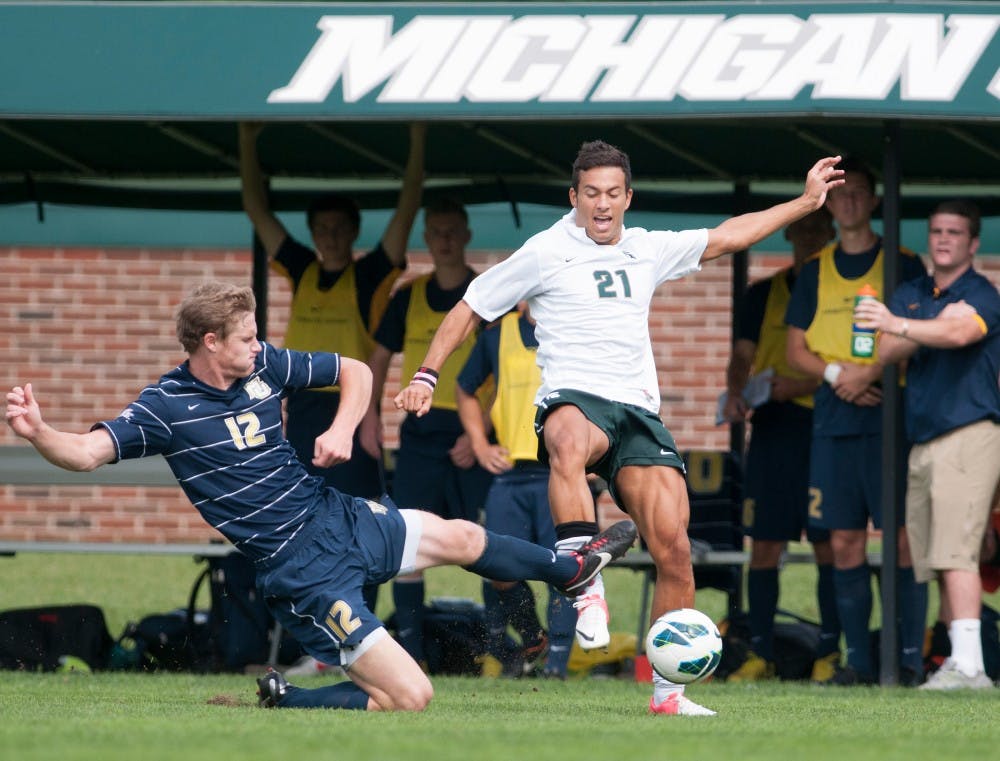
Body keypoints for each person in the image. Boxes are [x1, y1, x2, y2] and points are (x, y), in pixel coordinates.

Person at [4, 281, 637, 711]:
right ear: (209, 344)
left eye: (258, 336)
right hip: (301, 571)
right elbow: (85, 454)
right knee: (412, 697)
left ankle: (571, 568)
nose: (258, 347)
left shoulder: (262, 366)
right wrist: (39, 432)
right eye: (246, 338)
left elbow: (355, 371)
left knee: (463, 537)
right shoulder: (165, 408)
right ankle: (293, 700)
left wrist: (340, 427)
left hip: (335, 516)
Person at [395, 140, 846, 716]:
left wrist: (807, 203)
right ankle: (586, 584)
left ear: (628, 197)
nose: (602, 205)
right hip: (575, 399)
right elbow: (468, 308)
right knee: (565, 438)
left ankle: (667, 696)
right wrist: (428, 375)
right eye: (591, 194)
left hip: (637, 413)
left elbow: (731, 234)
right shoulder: (545, 250)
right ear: (574, 197)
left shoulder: (648, 248)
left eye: (612, 194)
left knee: (675, 550)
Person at [784, 157, 929, 686]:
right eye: (840, 194)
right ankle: (858, 662)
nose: (848, 202)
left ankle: (909, 657)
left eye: (858, 193)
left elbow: (922, 333)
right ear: (829, 202)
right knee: (843, 540)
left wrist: (872, 371)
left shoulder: (905, 264)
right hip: (834, 418)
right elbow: (795, 349)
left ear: (873, 201)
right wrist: (837, 374)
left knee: (902, 539)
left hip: (892, 416)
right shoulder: (815, 269)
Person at [853, 200, 1000, 690]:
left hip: (969, 434)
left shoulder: (982, 292)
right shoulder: (915, 292)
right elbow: (887, 349)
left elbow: (962, 332)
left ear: (973, 243)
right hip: (925, 442)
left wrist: (905, 325)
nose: (943, 239)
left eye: (955, 232)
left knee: (957, 551)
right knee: (934, 554)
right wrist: (919, 326)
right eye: (937, 230)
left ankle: (970, 667)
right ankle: (957, 658)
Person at [238, 121, 425, 500]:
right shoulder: (302, 268)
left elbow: (405, 214)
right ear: (313, 233)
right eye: (322, 228)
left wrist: (417, 140)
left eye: (340, 227)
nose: (331, 235)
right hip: (303, 403)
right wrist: (246, 139)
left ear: (354, 231)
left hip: (349, 400)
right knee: (304, 500)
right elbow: (256, 211)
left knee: (359, 504)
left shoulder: (369, 276)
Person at [361, 198, 494, 665]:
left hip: (471, 433)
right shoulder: (409, 296)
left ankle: (500, 651)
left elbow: (510, 363)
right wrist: (370, 415)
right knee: (406, 540)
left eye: (452, 231)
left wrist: (480, 432)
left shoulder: (487, 292)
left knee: (486, 538)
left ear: (467, 235)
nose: (445, 240)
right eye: (436, 232)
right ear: (427, 239)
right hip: (418, 433)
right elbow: (377, 360)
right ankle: (410, 652)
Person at [722, 208, 843, 683]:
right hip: (772, 431)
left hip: (824, 428)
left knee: (830, 542)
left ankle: (831, 651)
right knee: (765, 545)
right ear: (789, 235)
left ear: (832, 235)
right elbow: (742, 356)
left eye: (819, 231)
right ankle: (762, 652)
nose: (810, 239)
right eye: (803, 231)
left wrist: (791, 387)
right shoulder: (763, 294)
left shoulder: (840, 291)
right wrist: (737, 391)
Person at [455, 303, 577, 679]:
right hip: (509, 474)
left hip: (560, 470)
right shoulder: (496, 335)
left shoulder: (578, 328)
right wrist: (479, 444)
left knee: (565, 569)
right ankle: (532, 636)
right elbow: (465, 389)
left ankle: (557, 665)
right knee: (498, 567)